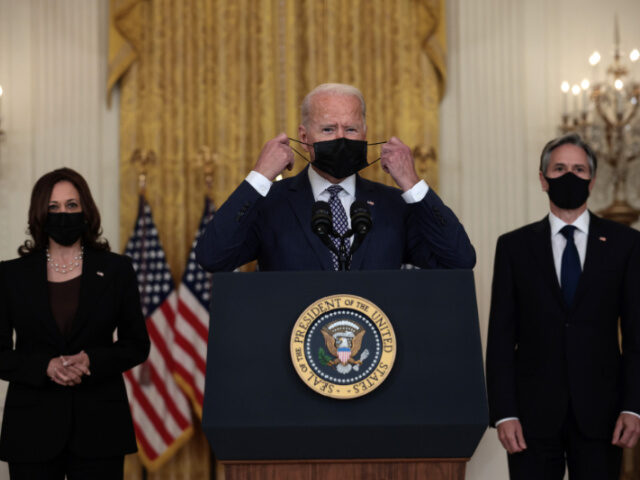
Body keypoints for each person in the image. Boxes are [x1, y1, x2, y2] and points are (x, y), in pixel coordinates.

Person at [486, 133, 640, 479]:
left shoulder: (626, 244)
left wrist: (635, 407)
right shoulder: (513, 247)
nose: (569, 176)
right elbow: (500, 337)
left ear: (592, 180)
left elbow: (636, 337)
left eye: (579, 169)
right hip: (530, 418)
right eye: (559, 168)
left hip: (603, 414)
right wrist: (504, 412)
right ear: (543, 179)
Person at [196, 83, 475, 272]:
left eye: (351, 129)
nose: (341, 139)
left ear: (365, 134)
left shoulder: (394, 206)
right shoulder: (271, 204)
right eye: (329, 130)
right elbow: (213, 257)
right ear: (304, 138)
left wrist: (413, 185)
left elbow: (459, 260)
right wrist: (259, 177)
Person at [0, 168, 150, 479]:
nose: (63, 213)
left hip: (100, 427)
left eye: (71, 205)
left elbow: (136, 345)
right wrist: (45, 366)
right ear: (40, 212)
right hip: (31, 429)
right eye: (53, 207)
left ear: (86, 210)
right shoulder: (10, 275)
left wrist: (91, 360)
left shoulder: (117, 270)